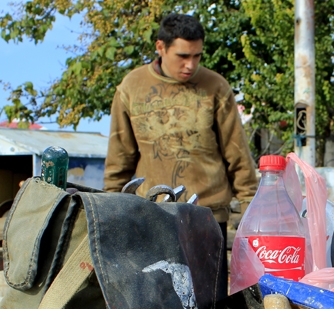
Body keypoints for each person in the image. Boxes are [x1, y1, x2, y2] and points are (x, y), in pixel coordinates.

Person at [103, 13, 257, 282]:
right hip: (152, 216)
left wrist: (251, 210)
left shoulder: (216, 87)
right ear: (160, 47)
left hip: (207, 218)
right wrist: (110, 214)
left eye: (197, 56)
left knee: (210, 302)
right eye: (183, 56)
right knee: (158, 299)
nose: (190, 65)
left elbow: (238, 155)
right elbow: (120, 159)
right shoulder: (132, 87)